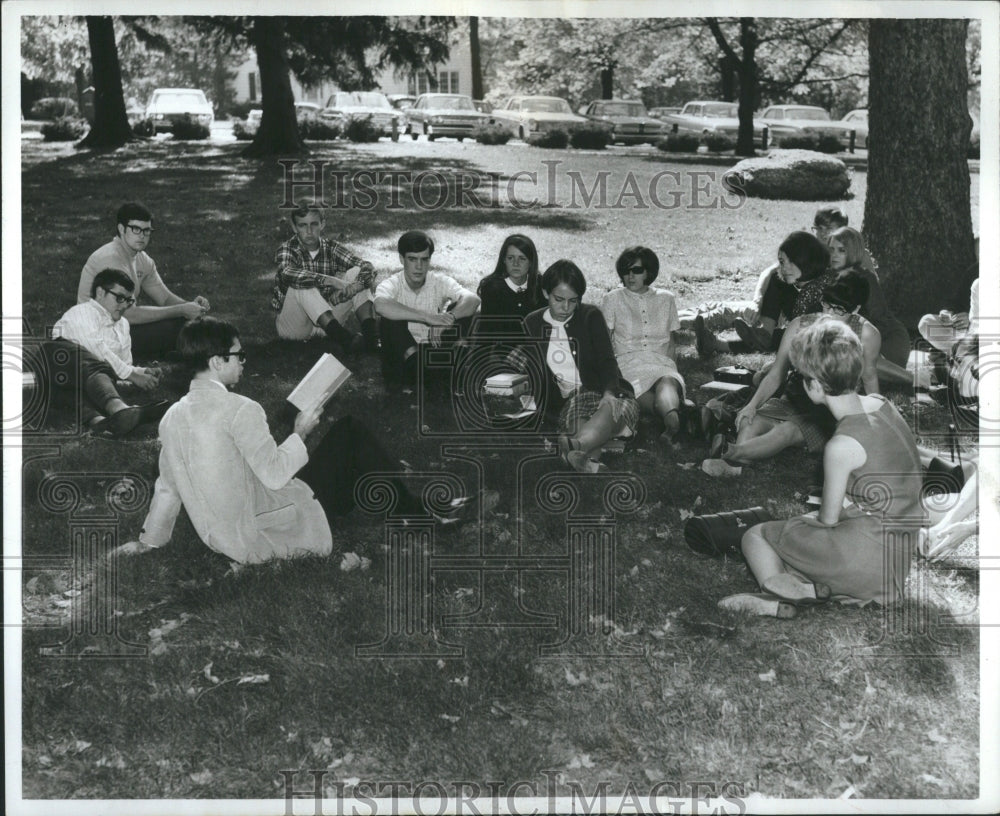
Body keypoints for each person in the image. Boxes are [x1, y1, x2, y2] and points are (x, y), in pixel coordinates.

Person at [123, 317, 492, 565]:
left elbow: (168, 489)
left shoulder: (172, 416)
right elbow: (274, 475)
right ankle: (419, 515)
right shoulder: (241, 408)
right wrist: (299, 433)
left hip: (221, 536)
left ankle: (413, 507)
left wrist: (150, 541)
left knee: (350, 453)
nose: (244, 362)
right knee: (349, 432)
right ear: (217, 361)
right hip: (265, 526)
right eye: (239, 355)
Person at [718, 319, 923, 617]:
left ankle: (771, 595)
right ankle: (803, 583)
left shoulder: (841, 445)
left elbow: (828, 519)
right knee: (801, 539)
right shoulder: (883, 404)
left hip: (862, 561)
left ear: (814, 385)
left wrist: (805, 522)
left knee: (758, 536)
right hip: (895, 565)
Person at [702, 273, 881, 477]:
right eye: (826, 305)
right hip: (795, 397)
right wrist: (751, 406)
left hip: (831, 409)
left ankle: (732, 454)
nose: (830, 314)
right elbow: (777, 373)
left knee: (787, 430)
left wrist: (875, 422)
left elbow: (870, 378)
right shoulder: (800, 325)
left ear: (856, 309)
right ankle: (737, 467)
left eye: (839, 310)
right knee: (749, 422)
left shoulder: (867, 334)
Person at [518, 260, 639, 473]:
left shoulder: (590, 316)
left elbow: (606, 360)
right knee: (578, 424)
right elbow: (534, 371)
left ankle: (574, 447)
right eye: (559, 299)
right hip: (571, 402)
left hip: (603, 391)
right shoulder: (532, 323)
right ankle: (589, 463)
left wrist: (609, 393)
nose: (566, 308)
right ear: (546, 293)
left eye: (573, 301)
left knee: (609, 409)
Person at [46, 268, 170, 436]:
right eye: (119, 298)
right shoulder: (82, 312)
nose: (124, 305)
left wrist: (141, 372)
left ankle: (101, 424)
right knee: (90, 363)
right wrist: (133, 375)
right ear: (100, 292)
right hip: (56, 362)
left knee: (89, 384)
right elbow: (97, 350)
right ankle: (119, 409)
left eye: (128, 300)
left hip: (77, 383)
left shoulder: (123, 324)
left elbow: (124, 366)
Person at [78, 202, 210, 358]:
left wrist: (192, 307)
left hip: (116, 329)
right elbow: (129, 314)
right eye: (136, 229)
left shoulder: (141, 259)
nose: (141, 235)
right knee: (177, 328)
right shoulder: (111, 258)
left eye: (146, 231)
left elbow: (165, 298)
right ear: (121, 229)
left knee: (193, 325)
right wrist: (181, 311)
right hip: (96, 336)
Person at [694, 231, 835, 356]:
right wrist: (757, 301)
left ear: (806, 259)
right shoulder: (800, 281)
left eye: (791, 261)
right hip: (798, 327)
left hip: (816, 336)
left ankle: (717, 344)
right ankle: (764, 333)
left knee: (782, 337)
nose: (785, 267)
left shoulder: (818, 287)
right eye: (782, 261)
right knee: (776, 280)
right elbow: (769, 274)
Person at [600, 247, 686, 445]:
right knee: (643, 396)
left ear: (648, 272)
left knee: (666, 382)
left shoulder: (666, 299)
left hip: (661, 363)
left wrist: (674, 370)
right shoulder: (612, 299)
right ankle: (676, 418)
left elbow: (672, 343)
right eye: (626, 271)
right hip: (628, 365)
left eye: (637, 271)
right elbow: (604, 343)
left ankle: (672, 420)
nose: (630, 276)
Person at [272, 200, 379, 356]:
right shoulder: (287, 249)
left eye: (314, 224)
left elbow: (367, 267)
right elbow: (287, 274)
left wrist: (355, 286)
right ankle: (346, 340)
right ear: (294, 227)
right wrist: (331, 280)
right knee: (301, 283)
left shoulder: (331, 248)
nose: (309, 231)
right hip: (294, 327)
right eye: (302, 225)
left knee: (356, 272)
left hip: (326, 324)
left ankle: (372, 340)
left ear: (322, 224)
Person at [374, 230, 480, 387]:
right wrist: (427, 317)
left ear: (430, 260)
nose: (419, 266)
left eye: (424, 260)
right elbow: (380, 304)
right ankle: (435, 376)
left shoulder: (438, 281)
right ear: (402, 259)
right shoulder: (392, 283)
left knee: (461, 311)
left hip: (431, 349)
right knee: (390, 317)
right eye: (412, 259)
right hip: (402, 355)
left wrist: (448, 318)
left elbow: (473, 299)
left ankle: (437, 374)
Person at [828, 226, 914, 382]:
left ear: (853, 252)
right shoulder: (829, 277)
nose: (834, 255)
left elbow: (878, 316)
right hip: (853, 337)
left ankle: (914, 379)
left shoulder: (866, 278)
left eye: (841, 250)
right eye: (832, 249)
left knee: (856, 356)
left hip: (886, 336)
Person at [475, 234, 546, 337]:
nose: (516, 264)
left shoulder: (540, 284)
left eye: (522, 258)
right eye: (510, 258)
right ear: (504, 260)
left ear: (531, 262)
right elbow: (487, 330)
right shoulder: (492, 288)